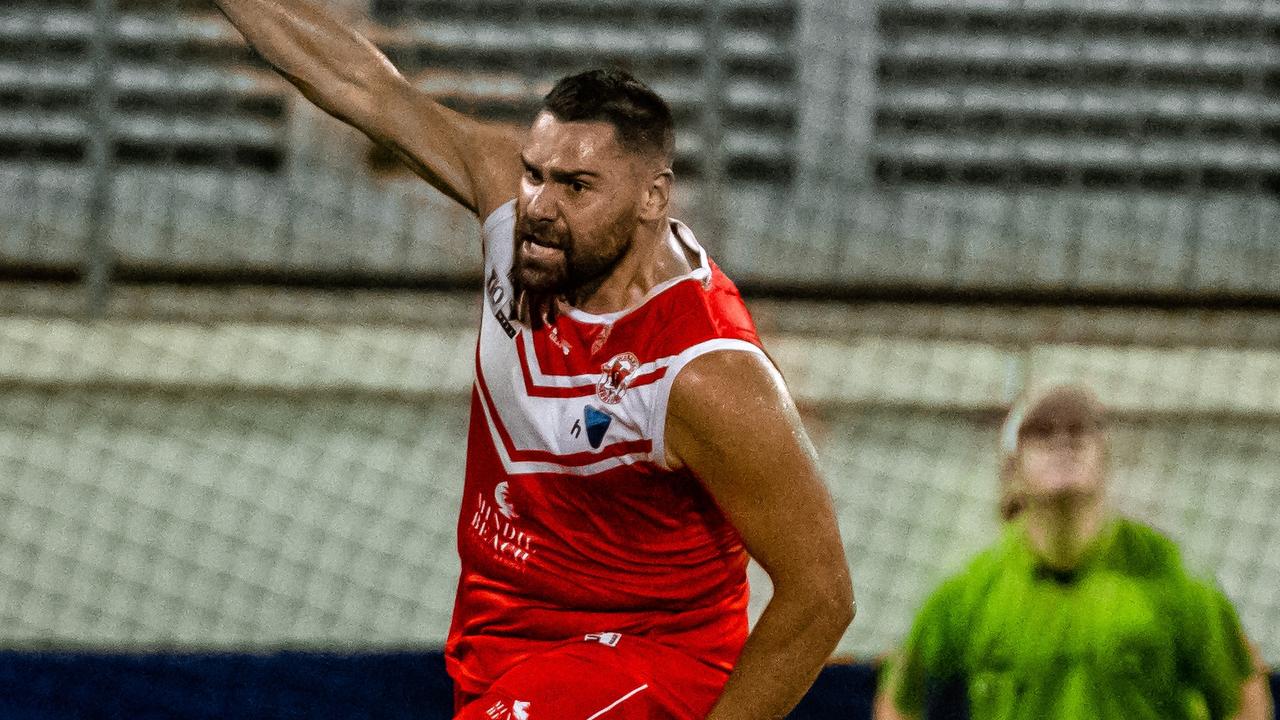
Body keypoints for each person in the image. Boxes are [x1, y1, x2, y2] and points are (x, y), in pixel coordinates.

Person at [210, 2, 855, 719]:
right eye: (536, 174)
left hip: (651, 662)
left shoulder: (706, 373)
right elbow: (366, 84)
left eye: (577, 187)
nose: (542, 206)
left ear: (653, 197)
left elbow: (822, 596)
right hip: (505, 651)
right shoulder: (511, 213)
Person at [874, 383, 1273, 720]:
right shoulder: (966, 591)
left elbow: (1243, 692)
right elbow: (899, 700)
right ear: (1012, 468)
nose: (1063, 441)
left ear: (1107, 457)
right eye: (1042, 433)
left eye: (1080, 430)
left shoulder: (1175, 578)